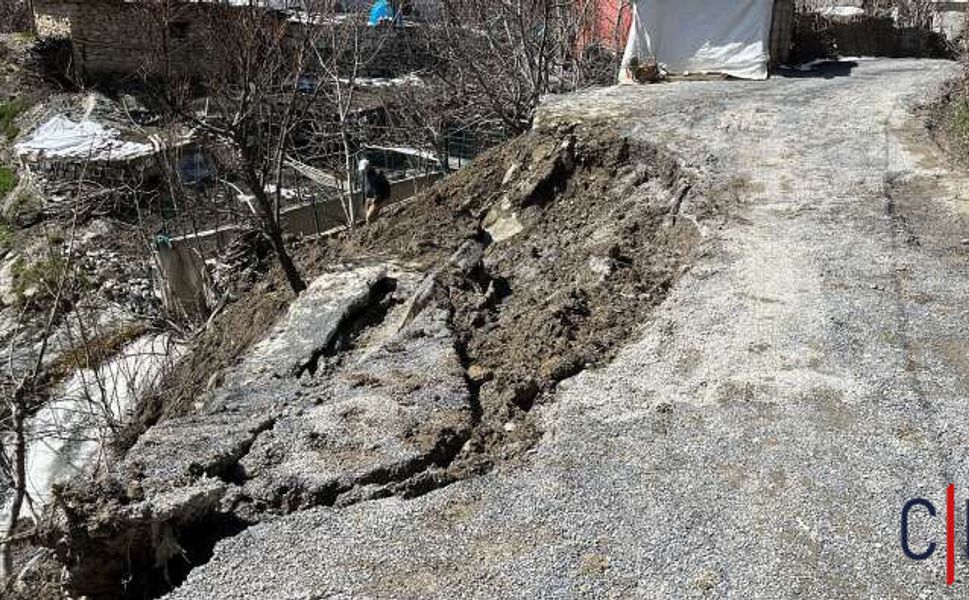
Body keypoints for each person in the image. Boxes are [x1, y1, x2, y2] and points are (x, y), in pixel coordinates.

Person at [359, 159, 391, 225]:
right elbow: (363, 188)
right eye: (363, 170)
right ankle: (374, 228)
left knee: (369, 217)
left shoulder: (377, 174)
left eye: (365, 169)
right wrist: (363, 200)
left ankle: (372, 229)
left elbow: (386, 185)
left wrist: (383, 198)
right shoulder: (364, 176)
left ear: (369, 166)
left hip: (377, 199)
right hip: (368, 198)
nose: (364, 171)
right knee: (369, 217)